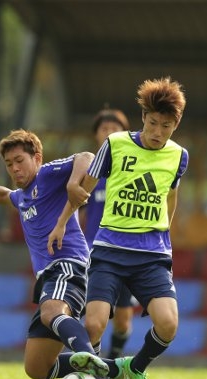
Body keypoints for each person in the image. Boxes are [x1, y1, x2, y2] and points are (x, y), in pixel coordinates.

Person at [0, 129, 120, 379]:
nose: (14, 168)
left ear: (37, 158)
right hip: (47, 278)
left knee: (51, 312)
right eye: (9, 164)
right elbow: (1, 194)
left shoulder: (48, 175)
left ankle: (90, 360)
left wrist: (72, 184)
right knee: (37, 367)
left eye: (20, 161)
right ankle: (113, 367)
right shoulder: (22, 197)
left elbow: (87, 156)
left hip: (68, 264)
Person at [48, 77, 189, 379]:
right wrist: (61, 223)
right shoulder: (115, 144)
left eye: (165, 126)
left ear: (175, 125)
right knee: (94, 325)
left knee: (168, 324)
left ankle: (135, 368)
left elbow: (172, 197)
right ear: (143, 118)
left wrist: (166, 232)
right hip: (110, 252)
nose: (157, 131)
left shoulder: (179, 156)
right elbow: (83, 189)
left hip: (152, 255)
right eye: (153, 123)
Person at [84, 108, 135, 360]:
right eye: (104, 129)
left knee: (123, 321)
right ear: (96, 136)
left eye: (115, 129)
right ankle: (87, 365)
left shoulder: (133, 172)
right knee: (93, 318)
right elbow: (76, 209)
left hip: (127, 253)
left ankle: (110, 362)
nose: (109, 133)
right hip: (93, 253)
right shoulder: (88, 172)